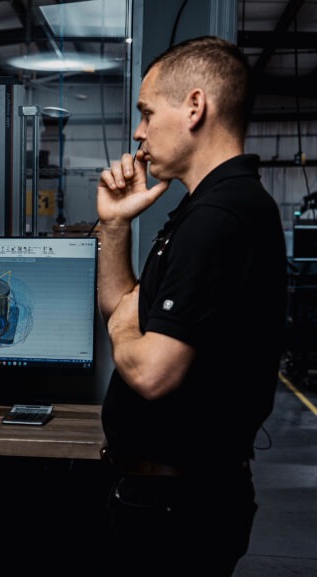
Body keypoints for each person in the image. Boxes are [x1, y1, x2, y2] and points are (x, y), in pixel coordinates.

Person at [95, 36, 287, 576]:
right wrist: (114, 226)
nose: (138, 132)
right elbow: (121, 307)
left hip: (177, 510)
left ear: (196, 107)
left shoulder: (221, 216)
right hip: (163, 498)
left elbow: (153, 371)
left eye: (147, 112)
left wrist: (128, 323)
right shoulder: (201, 208)